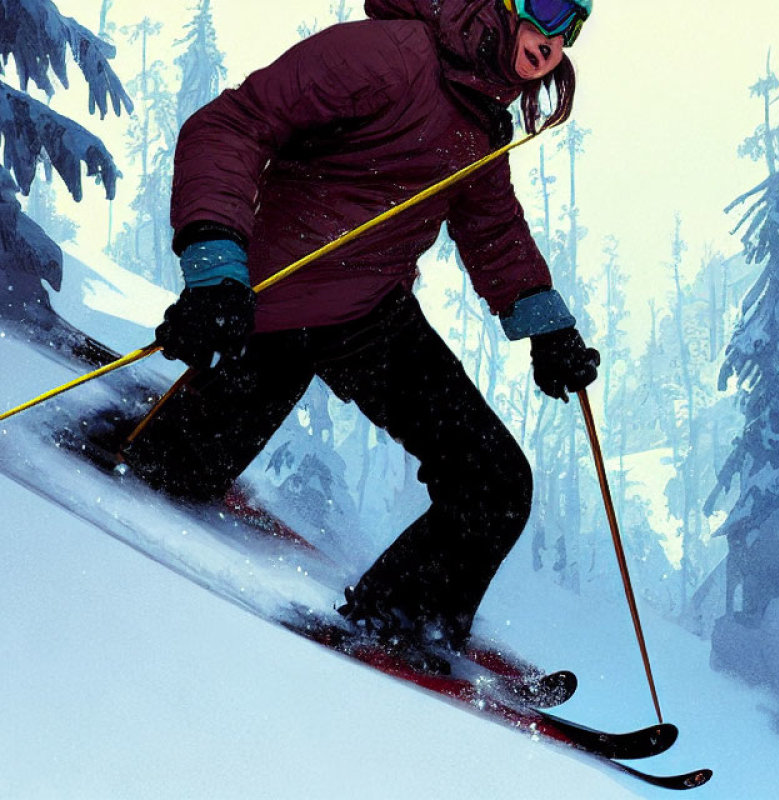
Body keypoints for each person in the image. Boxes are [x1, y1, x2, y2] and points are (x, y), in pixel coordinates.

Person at [122, 0, 599, 653]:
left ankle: (403, 622)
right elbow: (231, 125)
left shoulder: (482, 118)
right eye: (544, 8)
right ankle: (136, 444)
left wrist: (547, 327)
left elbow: (493, 231)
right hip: (267, 303)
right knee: (173, 477)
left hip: (370, 312)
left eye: (570, 24)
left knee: (494, 481)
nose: (552, 38)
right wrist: (213, 267)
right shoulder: (391, 54)